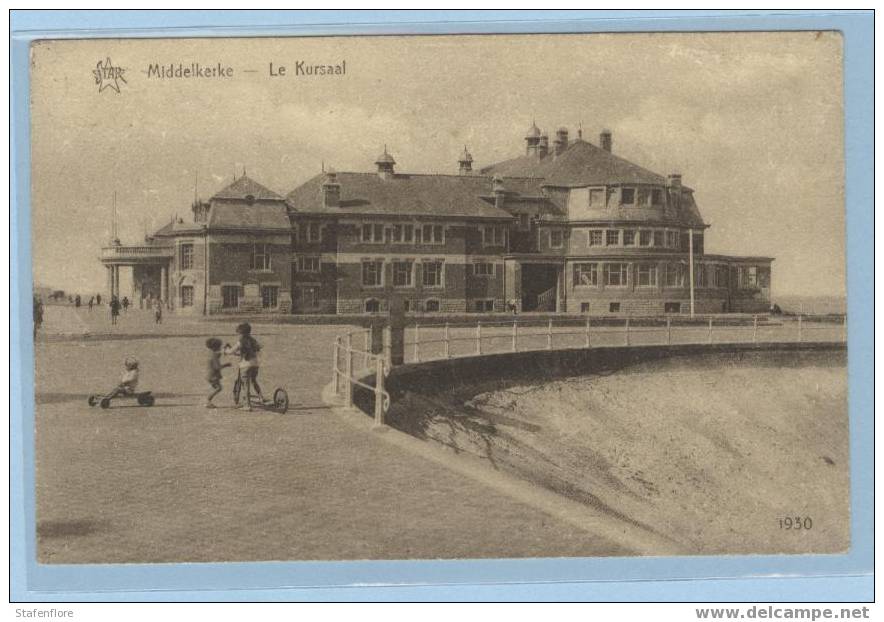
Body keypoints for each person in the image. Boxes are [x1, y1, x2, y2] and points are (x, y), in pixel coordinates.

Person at [224, 322, 265, 411]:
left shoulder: (240, 341)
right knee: (254, 381)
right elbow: (259, 347)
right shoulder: (253, 340)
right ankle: (261, 397)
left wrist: (226, 351)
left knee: (245, 385)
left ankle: (247, 405)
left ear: (241, 333)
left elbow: (231, 351)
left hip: (245, 365)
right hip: (255, 364)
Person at [205, 338, 231, 408]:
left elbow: (219, 353)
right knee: (218, 388)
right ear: (215, 347)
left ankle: (208, 401)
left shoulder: (212, 353)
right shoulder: (214, 356)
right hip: (213, 376)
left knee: (215, 388)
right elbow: (218, 367)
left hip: (210, 375)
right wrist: (226, 365)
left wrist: (225, 347)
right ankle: (208, 401)